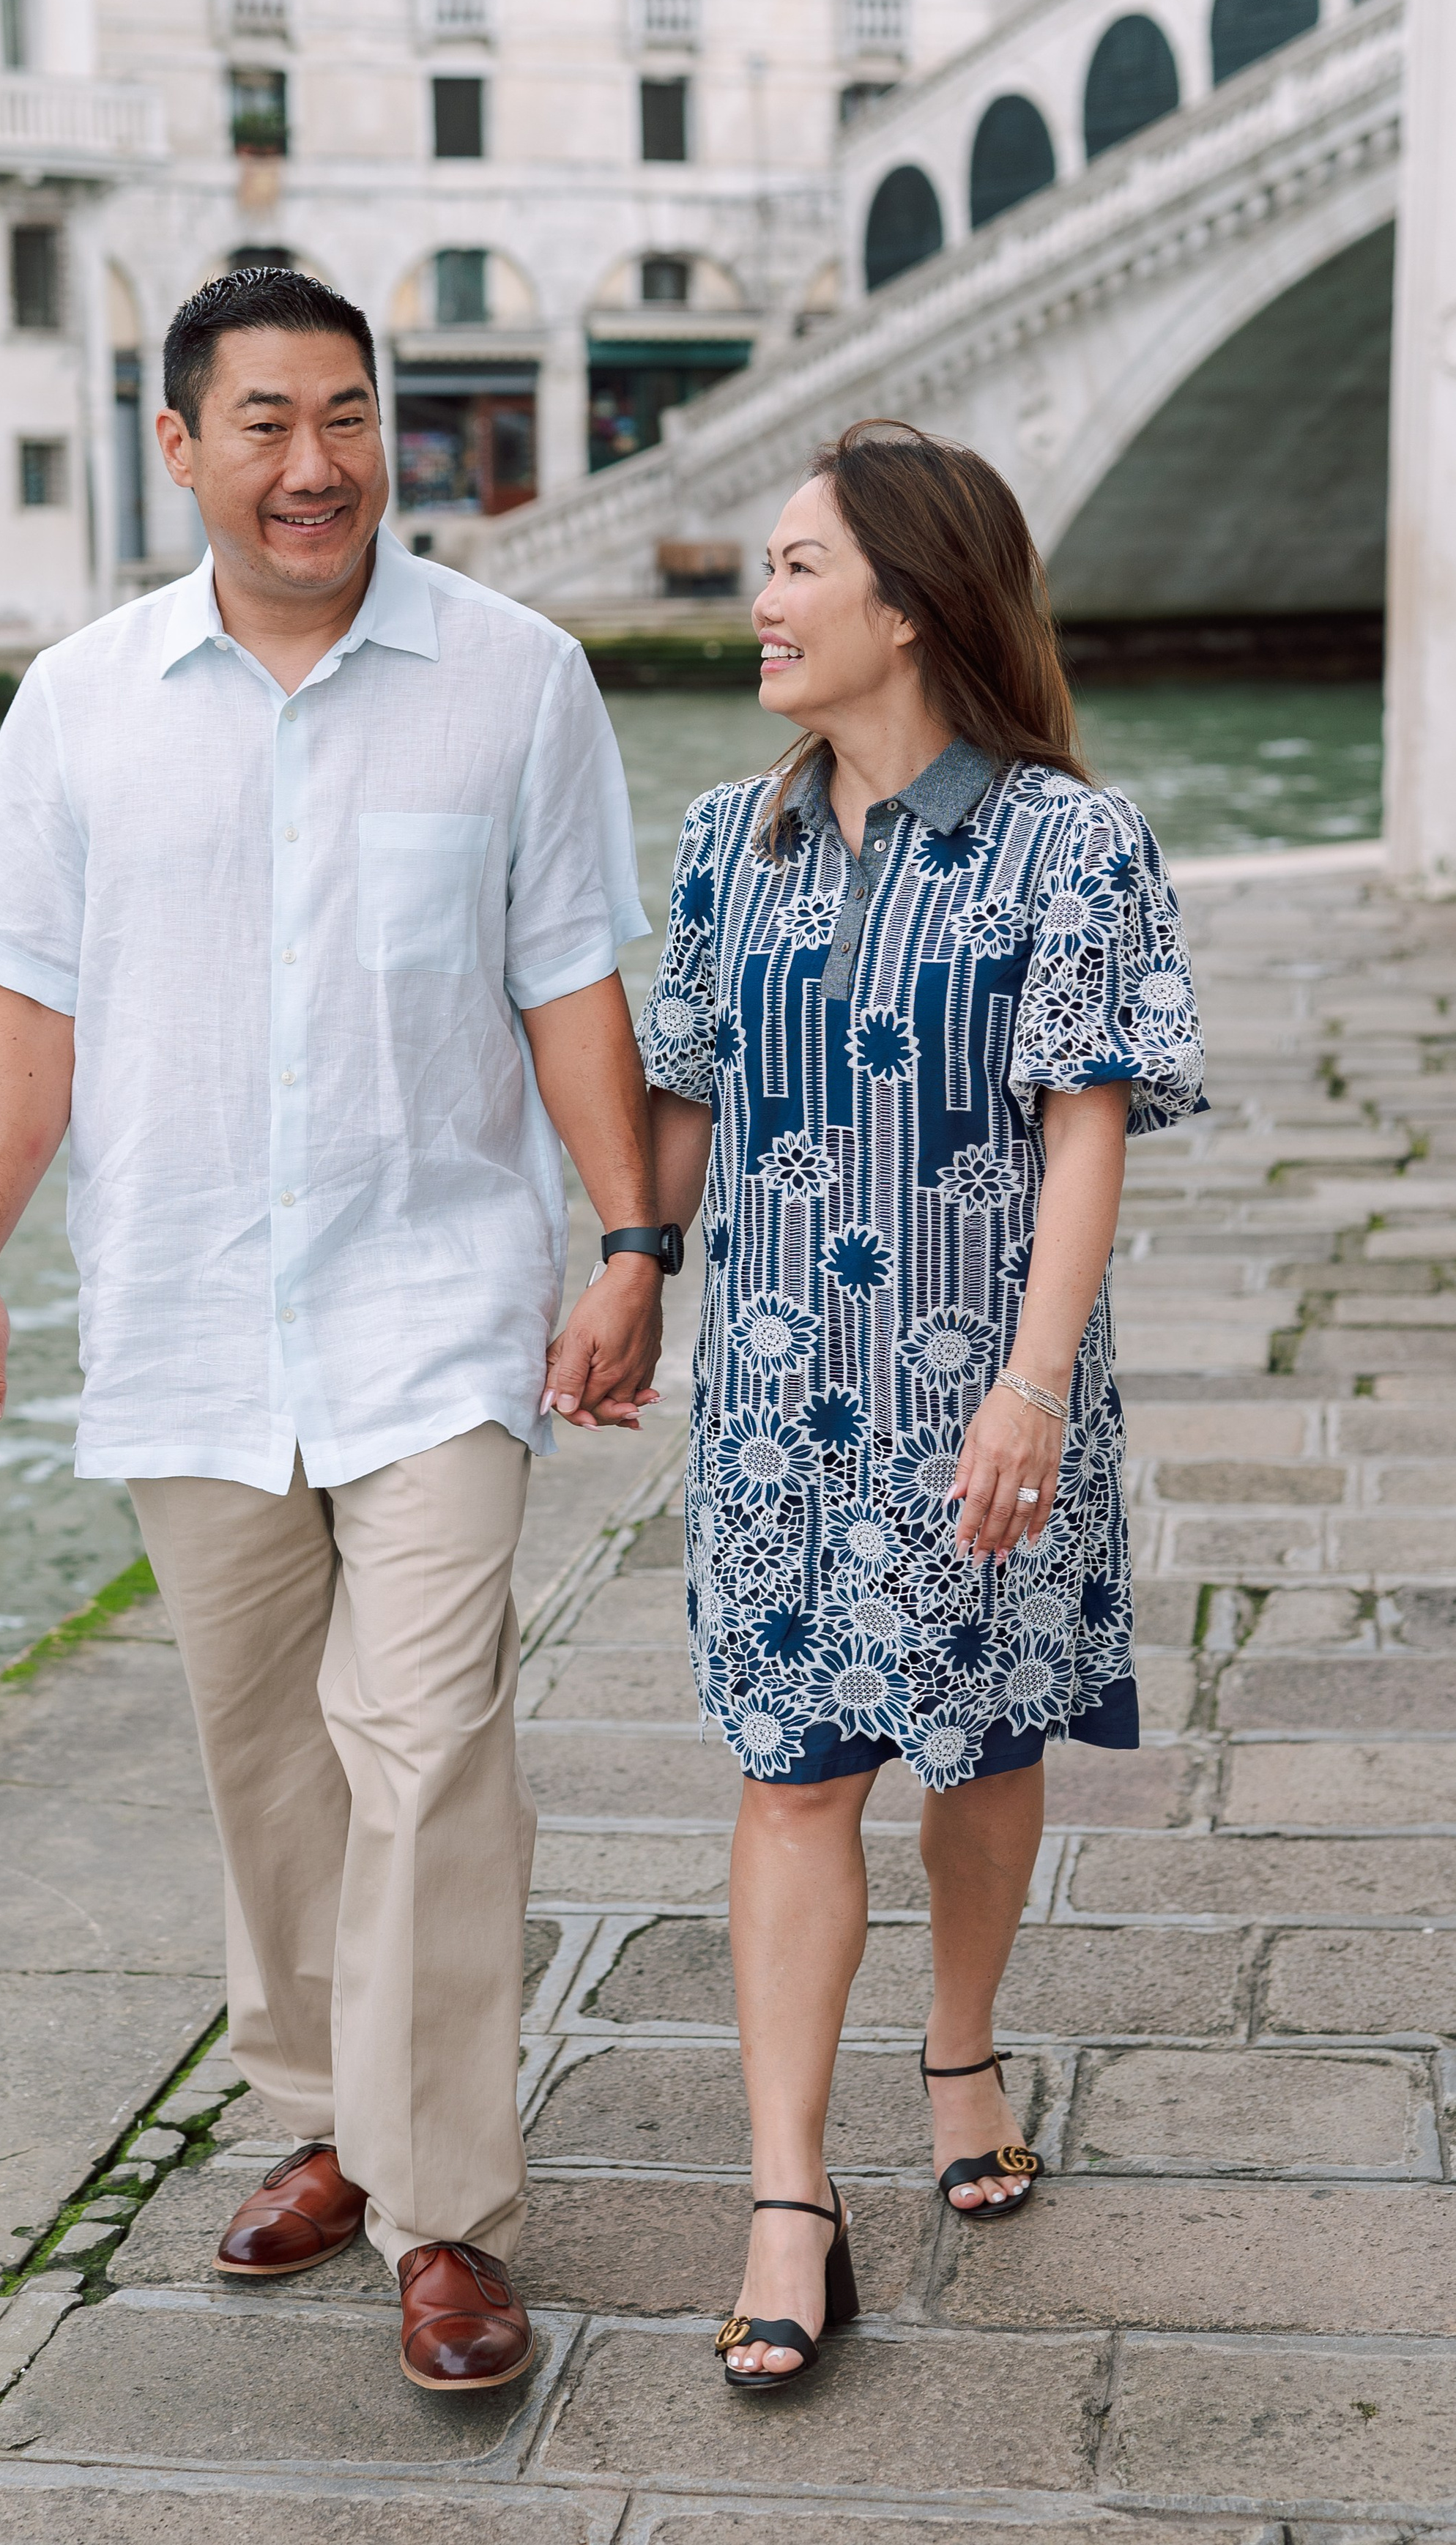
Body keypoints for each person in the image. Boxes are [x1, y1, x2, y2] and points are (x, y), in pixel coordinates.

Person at [0, 266, 672, 2393]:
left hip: (442, 1305)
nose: (313, 463)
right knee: (266, 1762)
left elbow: (568, 984)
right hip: (176, 1311)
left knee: (428, 1753)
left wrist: (628, 1244)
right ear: (180, 448)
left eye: (346, 415)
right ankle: (332, 2116)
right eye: (263, 421)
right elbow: (29, 1005)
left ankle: (447, 2218)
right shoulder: (80, 701)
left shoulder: (516, 680)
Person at [638, 422, 1204, 2391]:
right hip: (777, 1425)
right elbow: (685, 1096)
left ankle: (959, 2052)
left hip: (988, 1406)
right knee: (794, 1770)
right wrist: (626, 1266)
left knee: (978, 1744)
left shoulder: (1073, 841)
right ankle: (790, 2196)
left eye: (798, 566)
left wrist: (1038, 1383)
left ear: (912, 596)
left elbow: (1086, 1131)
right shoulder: (729, 842)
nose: (762, 601)